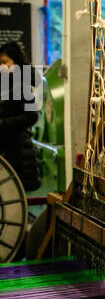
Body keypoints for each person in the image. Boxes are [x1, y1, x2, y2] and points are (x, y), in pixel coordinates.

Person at [0, 40, 42, 192]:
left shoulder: (22, 83)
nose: (2, 67)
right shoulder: (7, 83)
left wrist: (3, 124)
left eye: (5, 62)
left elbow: (31, 116)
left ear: (16, 61)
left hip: (19, 151)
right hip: (10, 149)